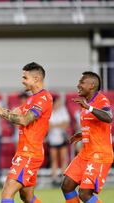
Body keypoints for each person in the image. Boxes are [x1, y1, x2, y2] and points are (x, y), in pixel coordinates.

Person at [0, 62, 52, 203]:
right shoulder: (31, 99)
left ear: (36, 79)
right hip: (25, 152)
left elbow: (24, 120)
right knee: (26, 197)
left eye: (25, 77)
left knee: (7, 193)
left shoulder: (43, 98)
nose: (22, 81)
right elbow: (14, 115)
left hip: (30, 153)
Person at [61, 71, 113, 203]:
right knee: (67, 186)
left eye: (82, 82)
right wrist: (82, 134)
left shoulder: (101, 100)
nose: (78, 85)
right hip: (85, 153)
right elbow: (95, 125)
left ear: (92, 85)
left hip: (99, 155)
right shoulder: (86, 103)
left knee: (85, 194)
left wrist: (89, 107)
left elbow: (108, 117)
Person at [47, 95, 70, 186]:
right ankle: (54, 178)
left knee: (63, 158)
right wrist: (59, 125)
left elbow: (66, 124)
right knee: (54, 159)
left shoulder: (63, 111)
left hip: (62, 137)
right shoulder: (49, 112)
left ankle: (64, 178)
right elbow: (48, 126)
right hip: (52, 139)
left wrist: (54, 125)